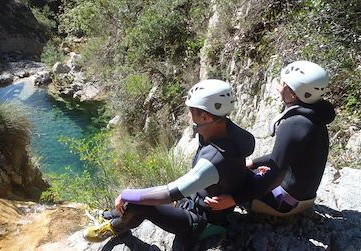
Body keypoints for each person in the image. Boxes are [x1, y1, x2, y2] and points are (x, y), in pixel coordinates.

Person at [82, 79, 255, 250]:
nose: (188, 115)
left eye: (191, 111)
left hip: (200, 220)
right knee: (140, 197)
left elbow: (168, 193)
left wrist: (126, 194)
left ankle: (113, 228)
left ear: (205, 116)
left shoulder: (215, 159)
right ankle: (110, 214)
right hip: (195, 200)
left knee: (138, 203)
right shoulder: (225, 131)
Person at [205, 61, 336, 216]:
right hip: (304, 198)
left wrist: (234, 198)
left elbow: (274, 171)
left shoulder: (293, 124)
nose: (279, 87)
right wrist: (253, 163)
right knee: (244, 169)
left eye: (283, 84)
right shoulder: (315, 117)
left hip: (282, 203)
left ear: (293, 94)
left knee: (227, 175)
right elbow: (281, 157)